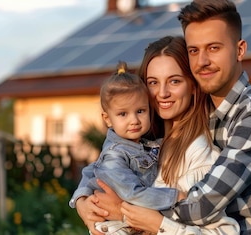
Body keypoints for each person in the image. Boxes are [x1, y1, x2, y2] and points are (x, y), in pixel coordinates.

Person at [82, 0, 251, 234]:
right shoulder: (198, 117)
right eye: (194, 50)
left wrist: (123, 212)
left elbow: (203, 205)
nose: (202, 61)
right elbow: (107, 165)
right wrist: (84, 201)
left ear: (240, 50)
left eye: (214, 48)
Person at [74, 36, 240, 234]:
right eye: (153, 82)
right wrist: (82, 201)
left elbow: (224, 232)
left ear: (194, 86)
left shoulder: (199, 154)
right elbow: (97, 168)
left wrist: (128, 214)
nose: (162, 93)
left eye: (174, 81)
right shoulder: (142, 142)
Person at [69, 61, 179, 234]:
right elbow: (133, 194)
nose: (134, 120)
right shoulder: (115, 154)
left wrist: (80, 197)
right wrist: (176, 197)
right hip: (114, 227)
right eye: (123, 114)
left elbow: (90, 170)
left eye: (140, 111)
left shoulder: (141, 145)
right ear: (107, 119)